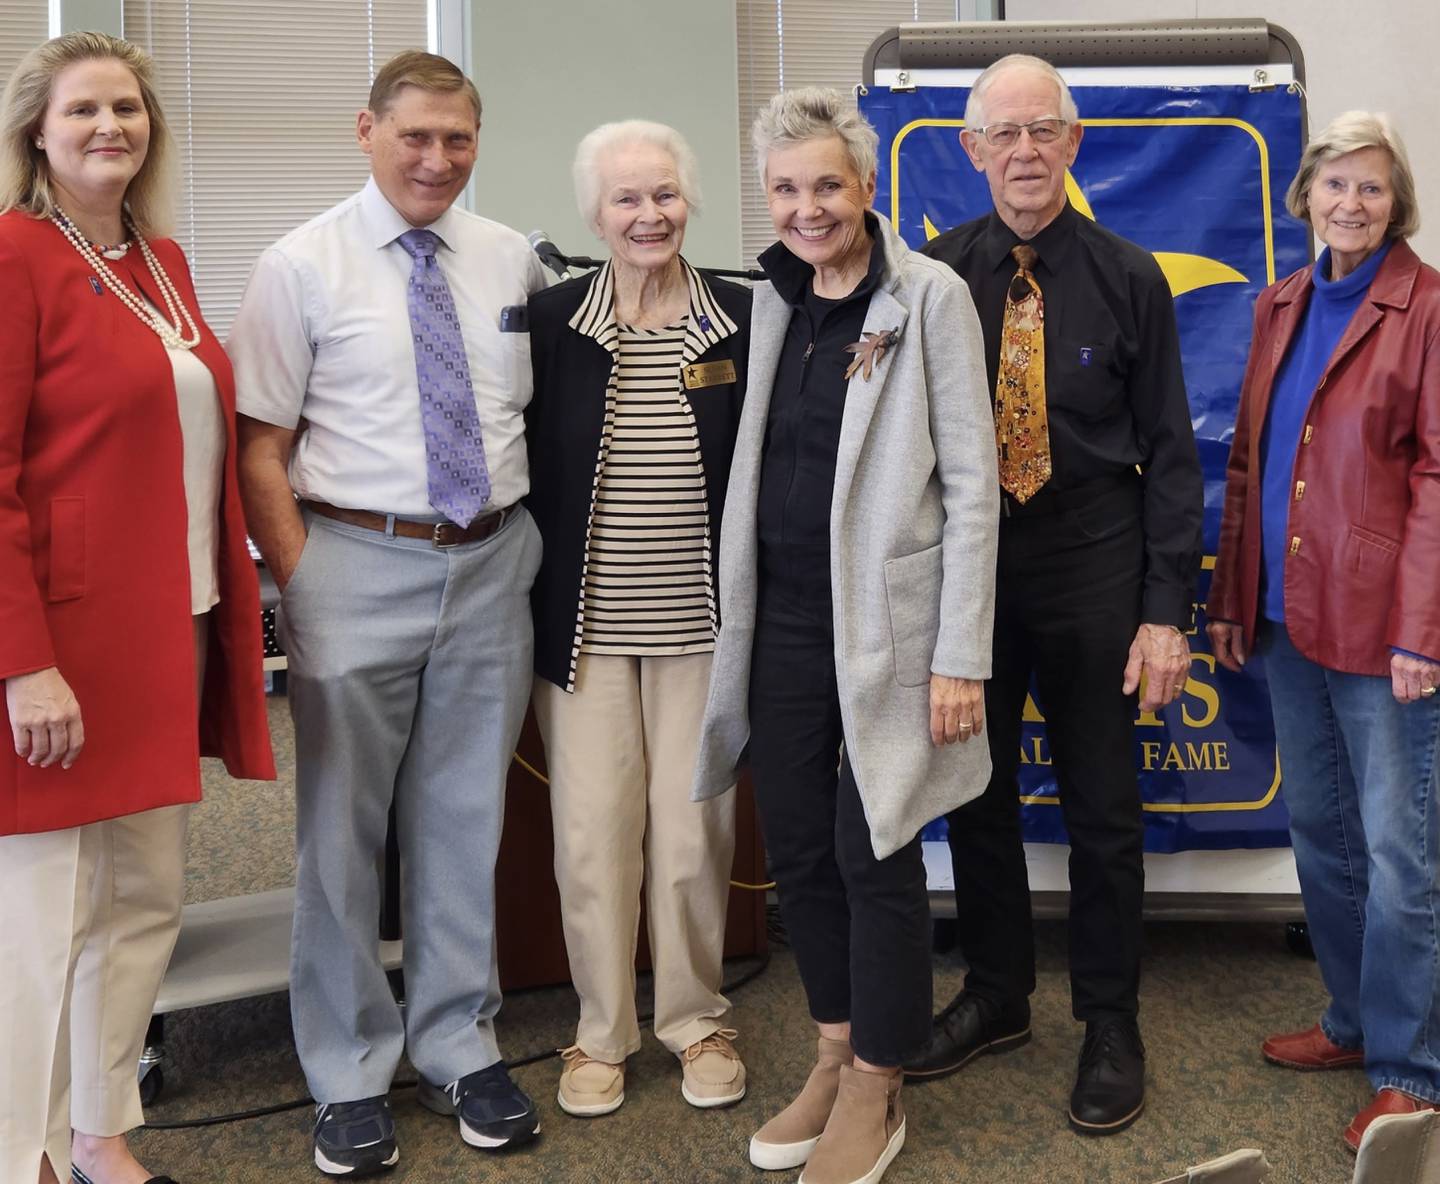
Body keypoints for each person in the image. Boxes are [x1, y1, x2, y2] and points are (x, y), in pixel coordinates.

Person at [230, 50, 547, 1176]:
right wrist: (306, 579)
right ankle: (349, 1067)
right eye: (414, 135)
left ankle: (459, 1042)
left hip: (490, 563)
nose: (435, 158)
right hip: (354, 559)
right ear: (365, 131)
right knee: (343, 832)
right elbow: (258, 445)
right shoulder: (299, 264)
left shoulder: (511, 254)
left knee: (467, 820)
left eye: (456, 137)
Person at [692, 87, 997, 1184]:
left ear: (867, 189)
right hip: (776, 618)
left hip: (888, 627)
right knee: (804, 849)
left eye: (827, 184)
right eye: (785, 188)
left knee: (878, 847)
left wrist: (960, 649)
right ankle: (831, 1049)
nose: (807, 208)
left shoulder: (931, 297)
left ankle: (879, 1079)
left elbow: (972, 485)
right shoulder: (768, 298)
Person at [0, 31, 275, 1184]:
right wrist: (23, 662)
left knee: (148, 897)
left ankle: (106, 1128)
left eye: (127, 107)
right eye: (83, 111)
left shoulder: (159, 260)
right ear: (37, 132)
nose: (109, 126)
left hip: (176, 623)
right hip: (63, 644)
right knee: (45, 914)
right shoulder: (14, 253)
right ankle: (26, 1149)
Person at [913, 53, 1203, 1136]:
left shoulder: (1132, 277)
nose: (1026, 152)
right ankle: (996, 995)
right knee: (976, 797)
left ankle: (1109, 1018)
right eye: (1005, 134)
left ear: (1074, 145)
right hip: (973, 573)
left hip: (1095, 564)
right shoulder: (937, 276)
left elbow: (1174, 455)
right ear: (973, 149)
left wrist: (1164, 609)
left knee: (1103, 811)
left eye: (1046, 131)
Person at [1207, 110, 1440, 1153]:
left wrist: (1424, 630)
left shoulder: (1427, 308)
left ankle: (1412, 1066)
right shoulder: (1285, 301)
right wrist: (1225, 599)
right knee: (1323, 834)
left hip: (1386, 624)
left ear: (1399, 207)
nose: (1351, 204)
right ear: (1305, 195)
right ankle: (1352, 1023)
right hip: (1285, 612)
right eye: (1335, 185)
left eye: (1373, 189)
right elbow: (1252, 459)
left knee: (1401, 851)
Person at [526, 120, 751, 1118]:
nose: (648, 215)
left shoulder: (746, 318)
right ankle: (601, 1031)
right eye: (626, 199)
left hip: (704, 626)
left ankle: (697, 1018)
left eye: (664, 195)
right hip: (582, 630)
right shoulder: (550, 324)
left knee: (695, 836)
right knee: (591, 835)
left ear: (688, 201)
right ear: (594, 213)